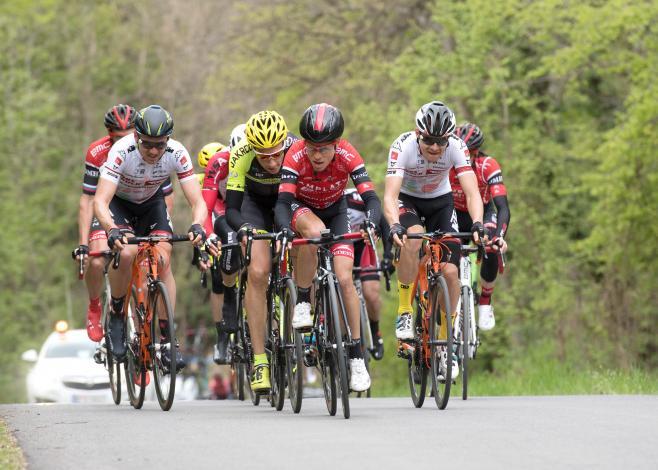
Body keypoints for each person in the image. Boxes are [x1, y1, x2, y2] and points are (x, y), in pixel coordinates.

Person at [94, 105, 214, 371]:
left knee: (163, 258)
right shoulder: (121, 152)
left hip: (151, 204)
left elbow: (198, 201)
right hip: (120, 204)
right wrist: (111, 228)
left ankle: (168, 338)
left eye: (159, 145)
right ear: (136, 137)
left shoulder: (177, 153)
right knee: (125, 253)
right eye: (147, 144)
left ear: (167, 141)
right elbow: (100, 201)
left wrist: (197, 225)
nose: (152, 151)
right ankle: (116, 314)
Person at [275, 103, 382, 392]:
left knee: (346, 278)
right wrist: (285, 228)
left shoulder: (348, 154)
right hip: (302, 208)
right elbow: (283, 202)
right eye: (312, 148)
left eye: (324, 148)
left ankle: (356, 356)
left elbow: (371, 199)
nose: (317, 154)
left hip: (336, 210)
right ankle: (303, 301)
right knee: (313, 233)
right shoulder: (295, 156)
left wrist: (372, 222)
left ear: (336, 144)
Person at [383, 101, 484, 380]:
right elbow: (390, 196)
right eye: (429, 140)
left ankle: (446, 343)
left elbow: (472, 193)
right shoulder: (402, 146)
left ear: (449, 139)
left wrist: (477, 223)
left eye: (441, 141)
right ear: (418, 134)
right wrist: (393, 225)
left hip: (441, 203)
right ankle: (404, 309)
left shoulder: (457, 148)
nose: (435, 148)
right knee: (413, 239)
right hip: (408, 201)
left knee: (451, 272)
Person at [73, 104, 174, 342]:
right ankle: (95, 306)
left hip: (144, 207)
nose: (126, 141)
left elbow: (167, 197)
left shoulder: (152, 149)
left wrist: (160, 233)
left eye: (130, 135)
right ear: (109, 135)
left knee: (151, 262)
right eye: (118, 137)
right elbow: (88, 199)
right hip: (109, 206)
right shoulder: (98, 152)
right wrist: (83, 244)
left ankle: (145, 337)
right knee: (97, 260)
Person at [225, 111, 298, 392]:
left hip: (288, 202)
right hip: (253, 208)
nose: (271, 161)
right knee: (257, 272)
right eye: (263, 156)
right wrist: (243, 227)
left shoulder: (297, 149)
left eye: (276, 154)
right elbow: (231, 207)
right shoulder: (241, 154)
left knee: (308, 253)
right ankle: (259, 361)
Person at [452, 122, 509, 330]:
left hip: (483, 212)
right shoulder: (446, 164)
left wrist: (500, 236)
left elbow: (502, 206)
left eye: (469, 153)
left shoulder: (487, 165)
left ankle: (485, 302)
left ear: (476, 152)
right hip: (454, 214)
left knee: (492, 244)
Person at [199, 124, 247, 364]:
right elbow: (205, 209)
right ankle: (222, 332)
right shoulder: (219, 162)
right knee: (221, 270)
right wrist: (206, 242)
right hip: (224, 211)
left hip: (251, 209)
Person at [345, 187, 393, 360]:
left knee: (371, 294)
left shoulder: (363, 202)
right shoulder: (335, 202)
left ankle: (375, 331)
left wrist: (388, 256)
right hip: (342, 246)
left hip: (363, 249)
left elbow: (386, 227)